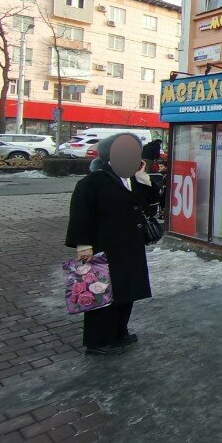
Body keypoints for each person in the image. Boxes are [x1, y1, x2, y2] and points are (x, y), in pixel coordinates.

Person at [65, 133, 161, 355]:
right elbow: (81, 215)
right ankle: (97, 341)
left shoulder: (131, 179)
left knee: (126, 292)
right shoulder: (92, 182)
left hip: (130, 247)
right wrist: (83, 244)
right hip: (104, 248)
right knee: (102, 294)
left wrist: (145, 181)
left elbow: (150, 205)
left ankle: (119, 331)